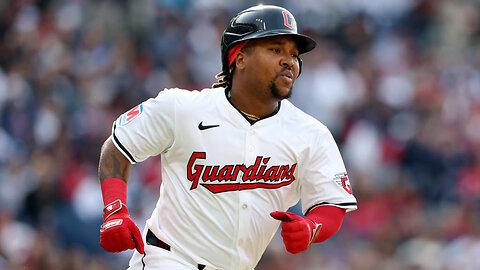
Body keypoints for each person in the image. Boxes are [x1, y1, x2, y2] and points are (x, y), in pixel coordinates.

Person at [97, 4, 357, 270]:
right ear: (240, 58)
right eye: (276, 49)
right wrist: (115, 210)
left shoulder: (311, 133)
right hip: (169, 259)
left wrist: (312, 228)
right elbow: (117, 148)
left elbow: (331, 204)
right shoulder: (182, 108)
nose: (289, 60)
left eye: (294, 54)